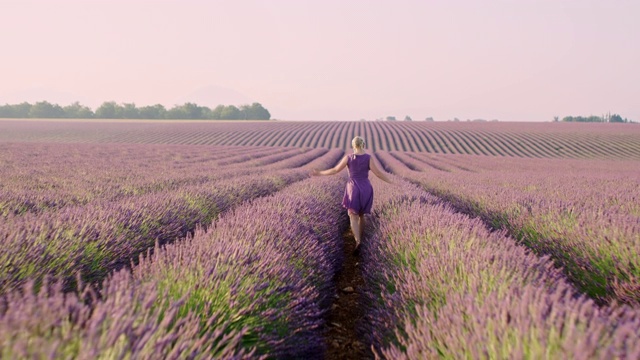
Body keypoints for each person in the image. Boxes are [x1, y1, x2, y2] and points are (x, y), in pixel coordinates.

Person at [311, 136, 392, 254]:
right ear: (363, 145)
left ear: (353, 146)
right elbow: (378, 174)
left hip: (353, 188)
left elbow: (335, 170)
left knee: (352, 216)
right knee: (362, 215)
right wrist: (391, 181)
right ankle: (361, 239)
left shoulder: (348, 158)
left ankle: (357, 241)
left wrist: (320, 173)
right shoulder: (368, 158)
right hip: (365, 188)